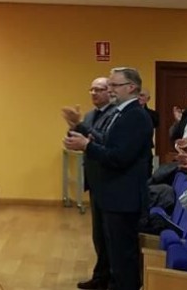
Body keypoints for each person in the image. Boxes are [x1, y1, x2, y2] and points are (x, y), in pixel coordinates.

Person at [64, 67, 153, 290]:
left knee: (123, 258)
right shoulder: (121, 113)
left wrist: (87, 146)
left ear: (131, 87)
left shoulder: (135, 115)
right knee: (114, 253)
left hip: (123, 197)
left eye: (114, 85)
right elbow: (104, 139)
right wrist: (81, 128)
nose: (110, 89)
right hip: (112, 194)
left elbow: (119, 157)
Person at [61, 77, 116, 290]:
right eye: (91, 89)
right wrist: (72, 130)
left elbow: (105, 141)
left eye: (98, 89)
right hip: (94, 180)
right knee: (98, 235)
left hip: (110, 180)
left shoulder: (114, 115)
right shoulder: (91, 114)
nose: (93, 93)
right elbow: (83, 137)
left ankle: (112, 278)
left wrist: (81, 126)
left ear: (110, 91)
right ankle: (100, 275)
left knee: (110, 235)